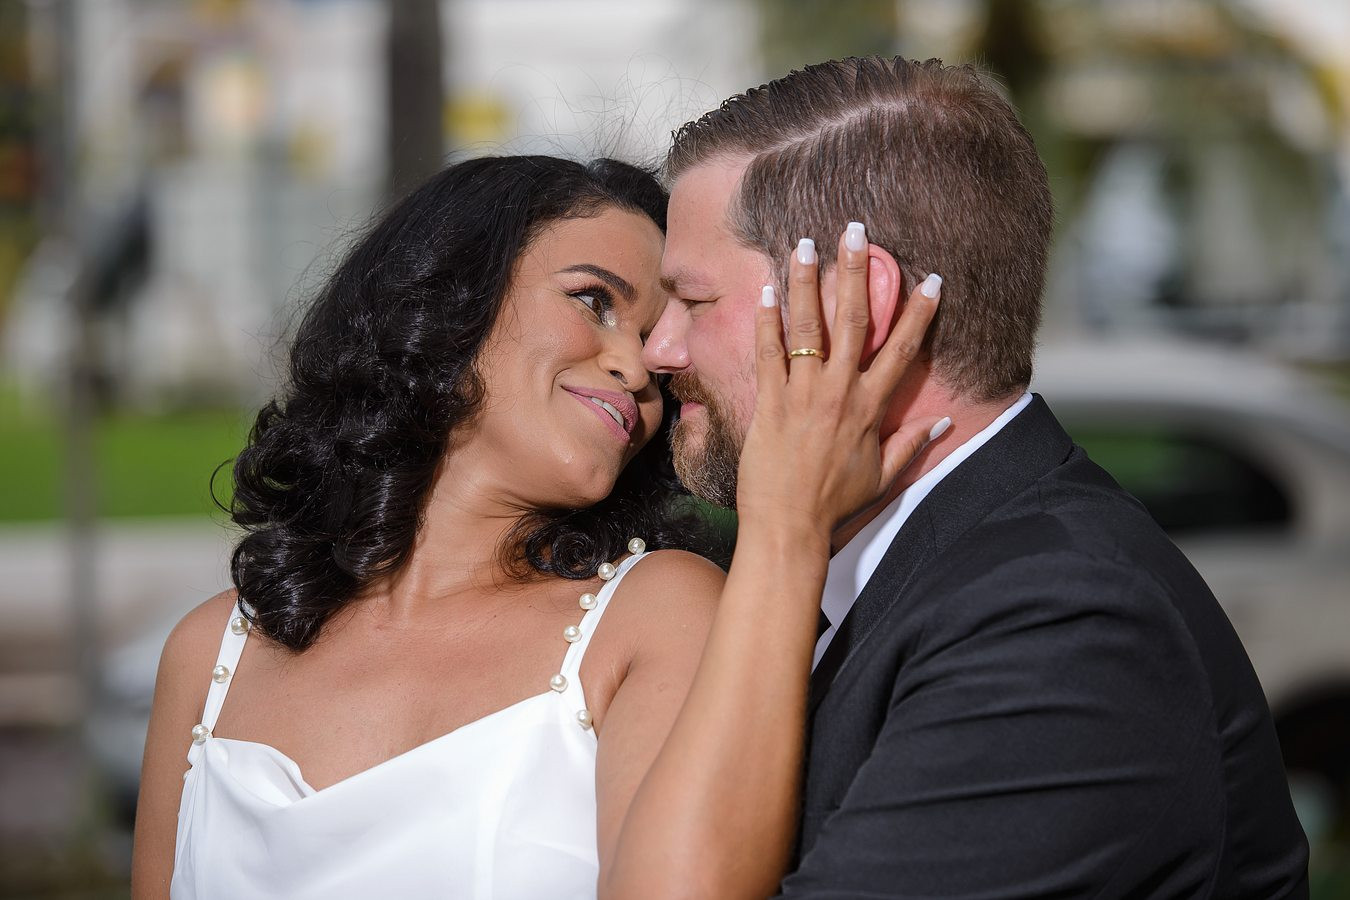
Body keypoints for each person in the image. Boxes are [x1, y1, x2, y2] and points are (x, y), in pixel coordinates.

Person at [130, 153, 944, 898]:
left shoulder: (655, 614)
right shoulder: (209, 656)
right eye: (594, 301)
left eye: (656, 340)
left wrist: (786, 529)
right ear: (448, 298)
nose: (639, 365)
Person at [645, 56, 1311, 897]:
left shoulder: (1061, 624)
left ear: (856, 308)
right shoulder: (942, 571)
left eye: (693, 301)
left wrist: (780, 529)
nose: (658, 349)